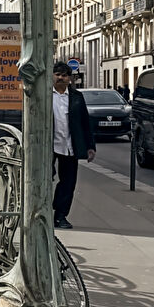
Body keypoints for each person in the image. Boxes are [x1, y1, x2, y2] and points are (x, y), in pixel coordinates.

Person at [52, 61, 95, 229]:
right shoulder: (45, 95)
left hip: (69, 145)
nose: (61, 78)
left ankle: (60, 215)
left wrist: (90, 146)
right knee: (45, 179)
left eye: (64, 75)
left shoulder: (77, 97)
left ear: (70, 78)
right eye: (57, 74)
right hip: (49, 145)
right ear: (52, 76)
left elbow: (85, 122)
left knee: (68, 182)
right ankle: (42, 212)